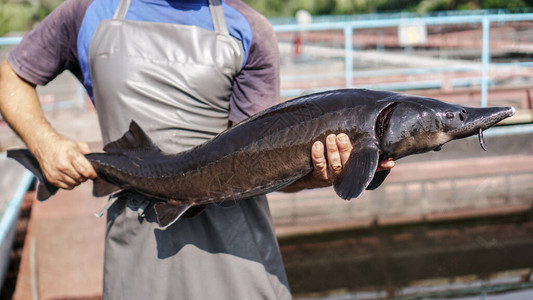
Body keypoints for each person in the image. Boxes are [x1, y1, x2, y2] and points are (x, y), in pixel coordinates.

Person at [0, 0, 394, 299]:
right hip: (140, 236)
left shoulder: (249, 28)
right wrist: (44, 142)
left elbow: (265, 166)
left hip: (237, 246)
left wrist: (318, 174)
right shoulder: (87, 12)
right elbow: (10, 75)